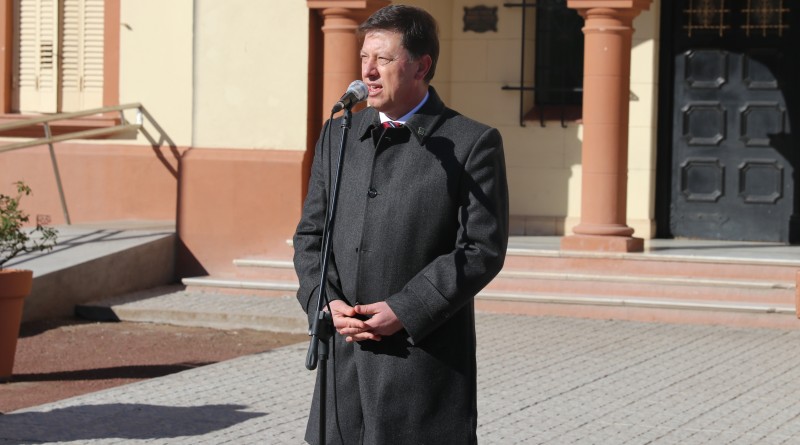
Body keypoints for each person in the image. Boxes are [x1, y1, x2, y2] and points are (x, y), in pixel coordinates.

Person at [293, 5, 508, 444]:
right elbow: (311, 235)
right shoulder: (338, 135)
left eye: (384, 59)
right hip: (342, 371)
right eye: (364, 58)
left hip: (420, 367)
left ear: (421, 66)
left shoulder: (472, 143)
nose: (368, 72)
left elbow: (480, 249)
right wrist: (325, 302)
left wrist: (406, 310)